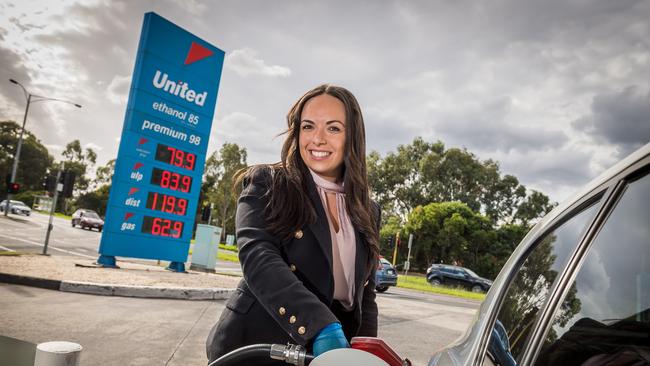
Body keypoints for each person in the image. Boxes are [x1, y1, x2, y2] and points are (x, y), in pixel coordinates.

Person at [206, 84, 381, 364]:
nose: (318, 139)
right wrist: (320, 325)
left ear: (353, 136)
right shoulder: (268, 182)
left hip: (324, 356)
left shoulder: (369, 210)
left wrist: (367, 350)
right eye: (308, 126)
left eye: (333, 128)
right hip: (255, 346)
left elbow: (366, 292)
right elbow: (258, 257)